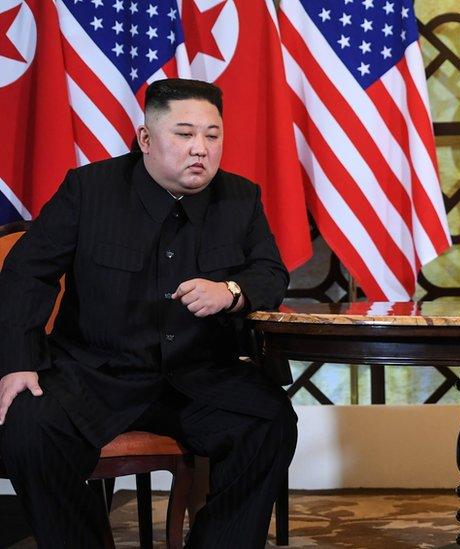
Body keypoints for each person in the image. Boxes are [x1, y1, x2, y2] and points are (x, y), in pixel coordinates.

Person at [0, 78, 297, 548]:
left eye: (212, 135)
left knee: (269, 422)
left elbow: (271, 273)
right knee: (30, 429)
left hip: (199, 377)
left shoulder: (241, 198)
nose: (200, 148)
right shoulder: (89, 189)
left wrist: (231, 290)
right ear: (145, 139)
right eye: (184, 134)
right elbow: (25, 273)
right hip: (97, 374)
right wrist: (16, 363)